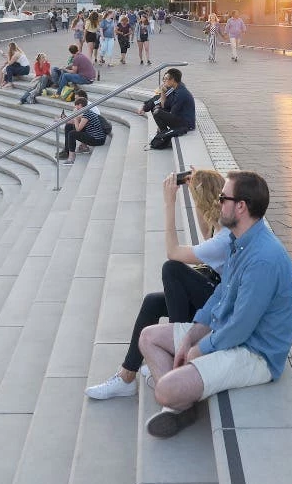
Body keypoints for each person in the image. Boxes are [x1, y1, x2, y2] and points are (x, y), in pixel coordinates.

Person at [138, 171, 292, 438]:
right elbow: (221, 294)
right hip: (229, 332)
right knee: (148, 337)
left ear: (241, 206)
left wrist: (200, 349)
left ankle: (175, 398)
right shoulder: (238, 242)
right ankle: (180, 403)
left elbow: (241, 327)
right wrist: (191, 336)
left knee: (163, 389)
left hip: (255, 352)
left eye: (223, 198)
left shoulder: (263, 259)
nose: (218, 203)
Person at [87, 169, 229, 399]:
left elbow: (172, 252)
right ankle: (126, 376)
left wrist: (169, 203)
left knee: (172, 269)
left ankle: (174, 354)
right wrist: (197, 196)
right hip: (213, 291)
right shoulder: (221, 222)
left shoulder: (224, 238)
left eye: (196, 197)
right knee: (152, 302)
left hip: (219, 307)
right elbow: (206, 232)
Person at [22, 44, 95, 104]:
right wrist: (65, 67)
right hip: (88, 76)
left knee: (65, 75)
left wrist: (65, 69)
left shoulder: (76, 58)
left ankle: (58, 93)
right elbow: (73, 64)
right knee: (55, 69)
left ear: (70, 52)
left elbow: (74, 72)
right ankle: (58, 83)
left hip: (86, 78)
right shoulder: (80, 55)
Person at [58, 94, 108, 163]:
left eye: (76, 105)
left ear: (80, 105)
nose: (75, 107)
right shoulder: (87, 112)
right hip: (99, 138)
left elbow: (78, 129)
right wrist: (73, 119)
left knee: (72, 134)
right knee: (72, 127)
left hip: (97, 139)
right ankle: (84, 148)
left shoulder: (87, 114)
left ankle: (71, 158)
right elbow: (77, 123)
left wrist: (75, 118)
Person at [148, 67, 196, 139]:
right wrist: (163, 92)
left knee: (157, 112)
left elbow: (172, 113)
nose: (164, 81)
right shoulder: (176, 88)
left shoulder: (180, 93)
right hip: (181, 118)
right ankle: (163, 132)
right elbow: (164, 106)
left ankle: (163, 134)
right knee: (157, 108)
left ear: (172, 80)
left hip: (186, 124)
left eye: (166, 79)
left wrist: (162, 117)